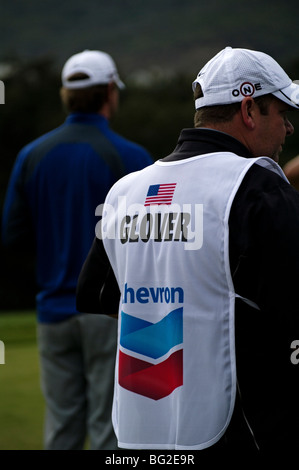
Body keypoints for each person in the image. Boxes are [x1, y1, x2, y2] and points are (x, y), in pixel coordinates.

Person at [76, 46, 299, 452]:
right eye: (282, 113)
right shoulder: (258, 186)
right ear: (249, 110)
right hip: (236, 430)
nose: (289, 128)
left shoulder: (125, 191)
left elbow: (98, 294)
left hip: (140, 432)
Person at [2, 49, 152, 450]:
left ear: (66, 94)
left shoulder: (31, 155)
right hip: (111, 312)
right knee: (109, 430)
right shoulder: (133, 158)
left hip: (52, 311)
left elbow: (12, 236)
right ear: (109, 92)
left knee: (62, 431)